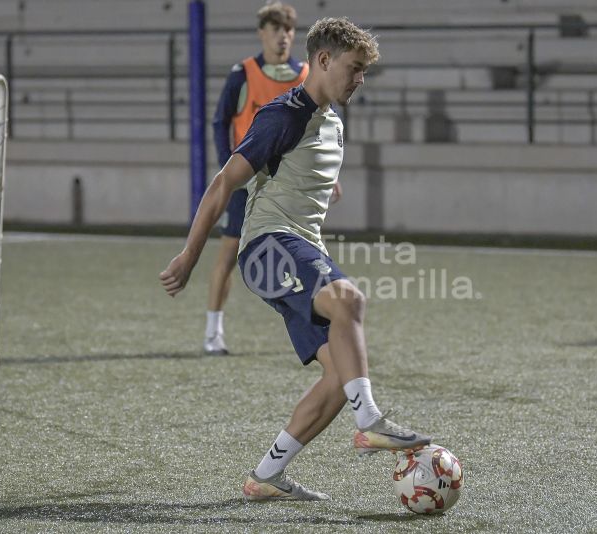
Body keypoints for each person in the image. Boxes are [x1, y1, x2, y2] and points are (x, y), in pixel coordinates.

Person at [160, 17, 430, 501]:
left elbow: (304, 173)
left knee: (336, 376)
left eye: (365, 71)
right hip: (268, 245)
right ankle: (369, 421)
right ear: (323, 60)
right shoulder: (283, 115)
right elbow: (224, 182)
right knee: (348, 299)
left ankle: (265, 476)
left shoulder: (331, 120)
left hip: (299, 246)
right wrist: (190, 254)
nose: (360, 79)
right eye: (355, 68)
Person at [204, 1, 310, 355]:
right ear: (261, 33)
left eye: (289, 30)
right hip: (247, 182)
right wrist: (229, 167)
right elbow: (220, 121)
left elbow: (320, 129)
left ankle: (309, 327)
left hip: (288, 186)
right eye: (276, 29)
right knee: (229, 254)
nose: (283, 37)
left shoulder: (306, 75)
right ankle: (213, 331)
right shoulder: (243, 74)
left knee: (302, 255)